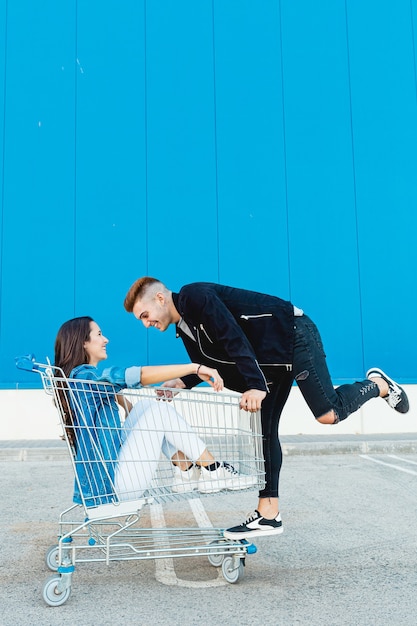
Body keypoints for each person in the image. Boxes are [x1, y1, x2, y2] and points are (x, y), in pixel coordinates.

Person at [123, 277, 410, 539]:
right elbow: (211, 362)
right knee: (265, 433)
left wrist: (255, 385)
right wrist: (181, 383)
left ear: (160, 298)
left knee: (327, 413)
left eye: (145, 315)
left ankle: (378, 385)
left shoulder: (194, 297)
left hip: (293, 335)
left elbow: (232, 336)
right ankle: (268, 513)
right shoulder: (184, 327)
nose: (146, 324)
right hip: (269, 364)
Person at [54, 316, 255, 508]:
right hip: (112, 488)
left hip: (105, 482)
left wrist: (123, 401)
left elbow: (132, 413)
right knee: (157, 411)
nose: (105, 339)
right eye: (98, 334)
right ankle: (214, 470)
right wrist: (193, 368)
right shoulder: (87, 377)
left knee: (146, 407)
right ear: (83, 342)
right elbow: (137, 375)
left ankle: (186, 471)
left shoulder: (80, 380)